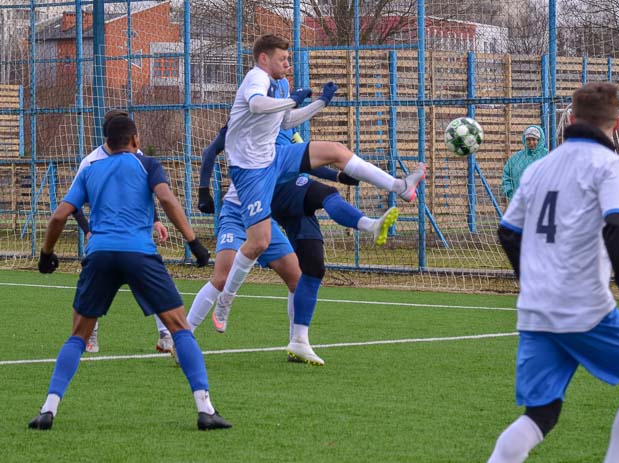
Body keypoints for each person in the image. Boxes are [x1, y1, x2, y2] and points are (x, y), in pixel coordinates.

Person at [489, 82, 619, 462]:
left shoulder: (539, 169)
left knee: (540, 414)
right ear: (616, 124)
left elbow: (507, 231)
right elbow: (617, 224)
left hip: (537, 309)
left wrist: (530, 281)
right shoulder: (614, 167)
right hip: (584, 307)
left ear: (569, 118)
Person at [214, 34, 425, 341]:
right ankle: (225, 301)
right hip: (250, 170)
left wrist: (318, 103)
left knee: (337, 150)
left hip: (275, 157)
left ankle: (400, 185)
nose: (288, 64)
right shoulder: (255, 78)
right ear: (264, 59)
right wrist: (293, 99)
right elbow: (258, 105)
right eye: (282, 59)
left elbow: (285, 122)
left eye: (288, 59)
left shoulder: (282, 84)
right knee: (258, 242)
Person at [28, 115, 230, 431]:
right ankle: (205, 409)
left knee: (78, 335)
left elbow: (58, 217)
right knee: (180, 328)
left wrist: (46, 254)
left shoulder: (90, 169)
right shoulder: (147, 164)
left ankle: (47, 410)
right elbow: (166, 199)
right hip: (139, 253)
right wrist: (194, 242)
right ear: (134, 140)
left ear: (106, 142)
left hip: (100, 254)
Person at [191, 78, 399, 366]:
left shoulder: (287, 129)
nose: (284, 99)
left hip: (267, 209)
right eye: (279, 94)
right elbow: (211, 150)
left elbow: (307, 159)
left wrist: (337, 171)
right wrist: (203, 190)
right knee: (222, 277)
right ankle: (183, 336)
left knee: (296, 276)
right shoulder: (246, 125)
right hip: (239, 211)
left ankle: (297, 342)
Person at [71, 109, 175, 355]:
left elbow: (146, 193)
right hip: (103, 239)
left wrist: (156, 221)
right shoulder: (91, 162)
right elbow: (72, 205)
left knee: (158, 283)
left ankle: (167, 336)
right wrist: (88, 230)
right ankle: (90, 336)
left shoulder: (137, 157)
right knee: (93, 287)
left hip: (134, 238)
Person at [501, 125, 547, 201]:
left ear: (539, 140)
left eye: (534, 139)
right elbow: (506, 175)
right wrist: (511, 193)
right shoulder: (516, 158)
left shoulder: (547, 155)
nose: (531, 142)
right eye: (528, 139)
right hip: (520, 201)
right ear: (525, 140)